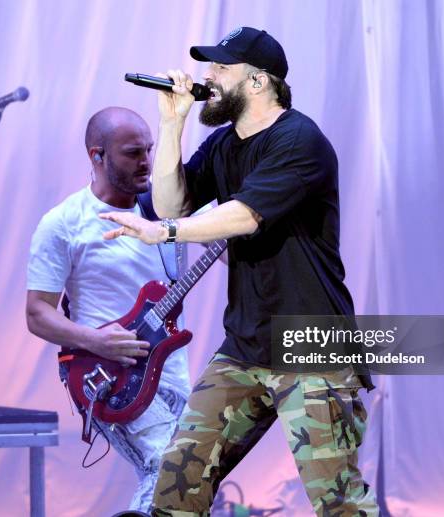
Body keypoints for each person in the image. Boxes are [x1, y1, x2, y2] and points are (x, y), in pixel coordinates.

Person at [98, 28, 379, 517]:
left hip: (311, 343)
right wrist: (172, 124)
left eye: (221, 69)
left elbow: (243, 216)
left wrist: (164, 232)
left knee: (339, 504)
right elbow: (171, 203)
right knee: (177, 486)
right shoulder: (225, 144)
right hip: (245, 345)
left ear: (256, 82)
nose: (208, 77)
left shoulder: (299, 141)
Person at [25, 107, 191, 513]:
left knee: (190, 478)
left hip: (173, 371)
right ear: (96, 155)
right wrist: (96, 340)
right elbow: (37, 313)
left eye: (149, 150)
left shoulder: (168, 207)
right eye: (134, 152)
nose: (147, 162)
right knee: (171, 469)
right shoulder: (64, 222)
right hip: (110, 377)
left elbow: (226, 248)